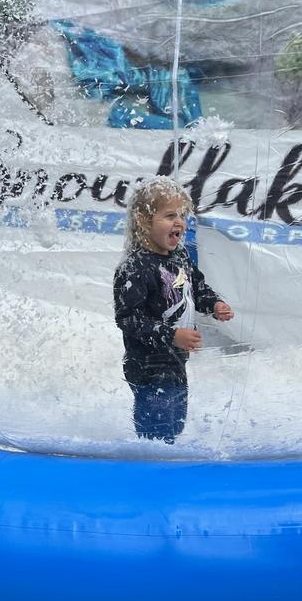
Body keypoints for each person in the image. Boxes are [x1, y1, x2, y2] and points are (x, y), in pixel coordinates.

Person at [114, 177, 234, 444]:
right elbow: (129, 319)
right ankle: (152, 465)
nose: (180, 222)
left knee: (175, 420)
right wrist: (171, 335)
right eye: (170, 215)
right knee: (156, 425)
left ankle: (166, 455)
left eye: (182, 215)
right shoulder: (135, 267)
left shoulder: (179, 258)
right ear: (144, 221)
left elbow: (197, 287)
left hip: (175, 359)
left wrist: (214, 304)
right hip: (147, 362)